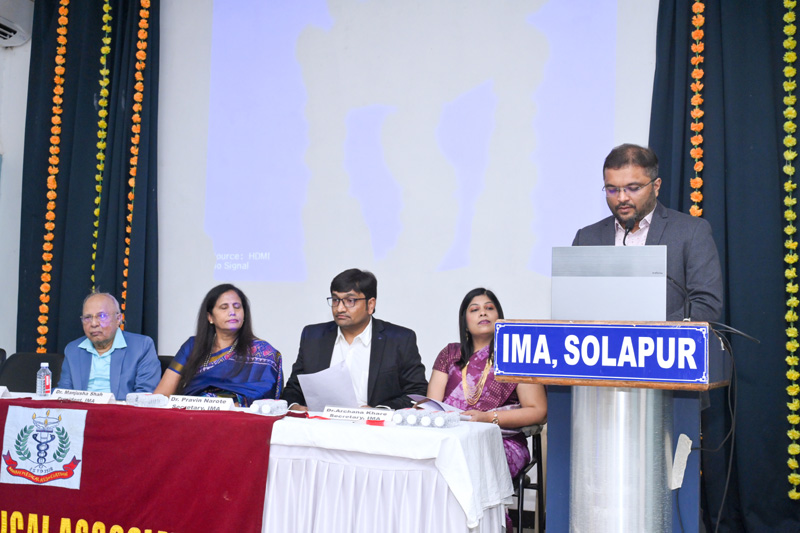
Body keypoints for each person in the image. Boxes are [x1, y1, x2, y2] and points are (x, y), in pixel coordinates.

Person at [572, 143, 723, 321]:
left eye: (633, 188)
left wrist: (653, 331)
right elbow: (574, 305)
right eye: (612, 189)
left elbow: (706, 304)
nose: (622, 198)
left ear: (656, 186)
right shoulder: (586, 238)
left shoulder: (691, 232)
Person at [427, 288, 547, 478]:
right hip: (451, 439)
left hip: (500, 441)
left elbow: (538, 411)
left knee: (466, 461)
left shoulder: (517, 354)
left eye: (489, 308)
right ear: (465, 322)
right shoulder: (450, 354)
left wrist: (487, 418)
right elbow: (432, 407)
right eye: (474, 309)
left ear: (499, 317)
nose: (483, 313)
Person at [282, 268, 427, 410]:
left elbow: (417, 392)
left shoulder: (399, 340)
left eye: (350, 301)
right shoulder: (313, 336)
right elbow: (294, 388)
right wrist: (295, 406)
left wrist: (379, 411)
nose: (340, 308)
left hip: (375, 424)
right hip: (321, 422)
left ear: (370, 305)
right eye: (335, 300)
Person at [154, 284, 283, 406]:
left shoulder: (264, 352)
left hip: (236, 417)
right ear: (210, 317)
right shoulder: (192, 346)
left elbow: (263, 397)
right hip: (190, 415)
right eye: (224, 307)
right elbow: (162, 395)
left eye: (237, 307)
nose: (232, 312)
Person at [59, 292, 161, 400]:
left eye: (101, 316)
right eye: (87, 317)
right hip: (80, 409)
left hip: (121, 409)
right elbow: (63, 393)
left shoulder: (142, 346)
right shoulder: (73, 350)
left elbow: (145, 395)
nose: (93, 323)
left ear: (118, 319)